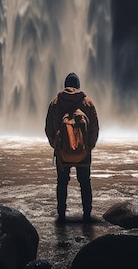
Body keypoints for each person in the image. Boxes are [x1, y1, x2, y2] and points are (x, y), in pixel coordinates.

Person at [45, 72, 99, 223]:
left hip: (62, 151)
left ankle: (61, 215)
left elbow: (48, 127)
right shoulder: (87, 102)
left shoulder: (55, 103)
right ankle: (87, 214)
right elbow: (94, 127)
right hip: (83, 151)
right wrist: (89, 146)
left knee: (62, 182)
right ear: (78, 85)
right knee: (85, 182)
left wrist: (56, 145)